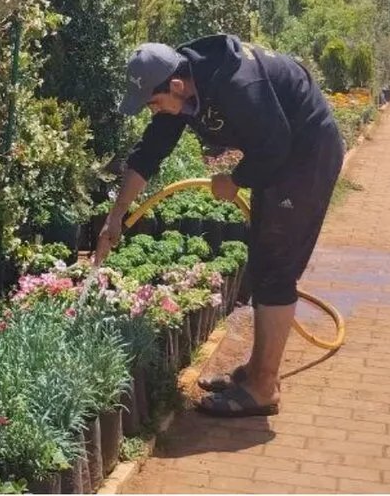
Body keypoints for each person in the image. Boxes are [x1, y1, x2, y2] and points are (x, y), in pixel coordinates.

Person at [93, 35, 345, 417]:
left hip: (306, 156)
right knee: (262, 263)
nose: (153, 112)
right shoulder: (183, 88)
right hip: (280, 157)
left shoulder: (238, 84)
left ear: (174, 86)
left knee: (276, 271)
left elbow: (276, 145)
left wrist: (237, 179)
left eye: (153, 103)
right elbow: (148, 154)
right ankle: (258, 372)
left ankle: (263, 389)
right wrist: (116, 217)